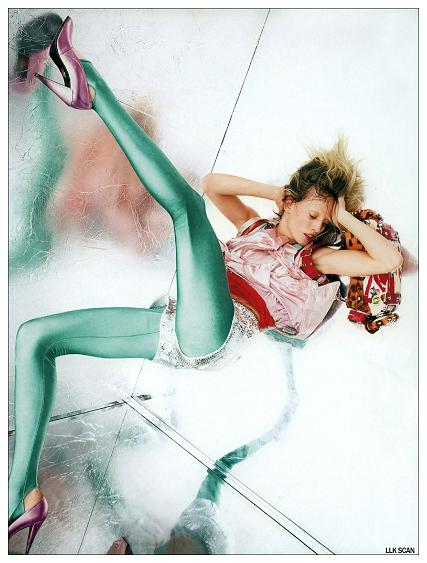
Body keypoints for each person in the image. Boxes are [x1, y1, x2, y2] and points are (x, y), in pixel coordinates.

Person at [8, 16, 403, 554]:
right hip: (176, 328)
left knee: (187, 211)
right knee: (35, 337)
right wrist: (281, 195)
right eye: (312, 214)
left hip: (220, 331)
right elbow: (217, 184)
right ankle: (22, 494)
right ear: (290, 202)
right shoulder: (257, 228)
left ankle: (91, 87)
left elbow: (388, 258)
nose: (316, 227)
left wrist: (340, 214)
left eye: (323, 222)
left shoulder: (316, 260)